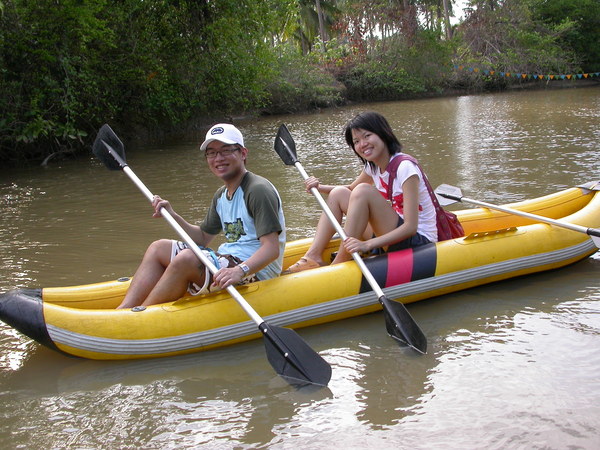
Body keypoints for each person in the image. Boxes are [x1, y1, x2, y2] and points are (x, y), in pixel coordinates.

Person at [117, 123, 286, 309]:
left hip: (255, 272)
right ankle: (124, 310)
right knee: (158, 248)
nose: (218, 158)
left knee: (186, 259)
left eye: (225, 150)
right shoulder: (221, 195)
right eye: (211, 153)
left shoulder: (258, 190)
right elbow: (203, 238)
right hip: (229, 259)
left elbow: (271, 249)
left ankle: (140, 317)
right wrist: (173, 215)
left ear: (243, 153)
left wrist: (239, 270)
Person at [286, 111, 436, 273]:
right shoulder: (373, 166)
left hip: (418, 241)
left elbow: (410, 227)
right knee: (338, 193)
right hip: (393, 233)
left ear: (383, 134)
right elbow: (349, 190)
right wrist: (318, 187)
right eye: (356, 141)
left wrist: (367, 245)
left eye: (367, 136)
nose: (362, 144)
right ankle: (313, 256)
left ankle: (339, 263)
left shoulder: (405, 167)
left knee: (363, 190)